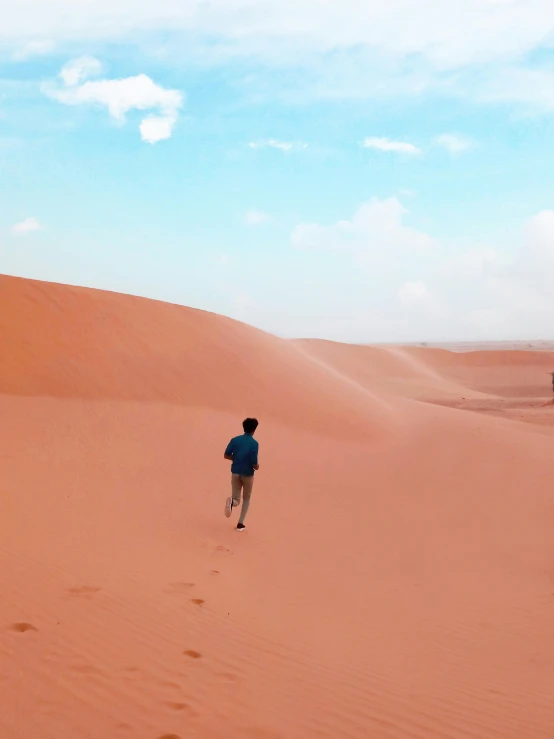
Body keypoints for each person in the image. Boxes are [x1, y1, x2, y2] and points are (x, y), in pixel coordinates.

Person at [224, 418, 259, 531]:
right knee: (246, 498)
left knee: (236, 499)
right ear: (254, 430)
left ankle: (231, 502)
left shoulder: (235, 440)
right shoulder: (254, 444)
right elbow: (254, 462)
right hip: (248, 474)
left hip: (235, 472)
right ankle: (240, 523)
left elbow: (226, 455)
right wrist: (257, 466)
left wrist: (237, 458)